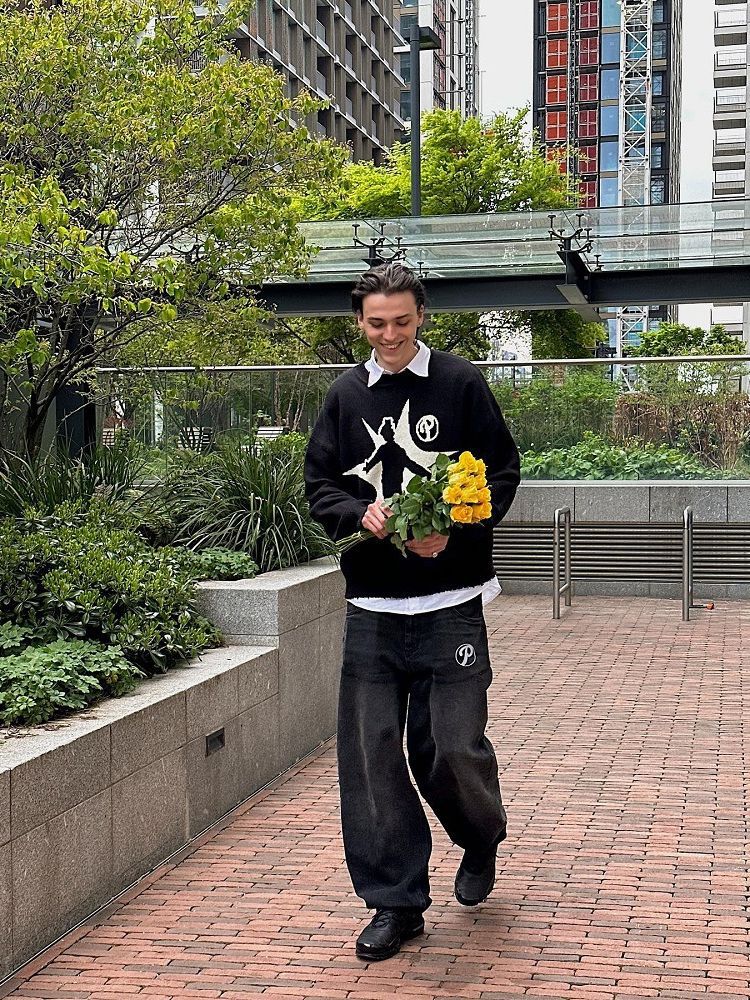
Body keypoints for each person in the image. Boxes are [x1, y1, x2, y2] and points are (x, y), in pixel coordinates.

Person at [304, 262, 520, 962]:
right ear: (360, 324)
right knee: (371, 756)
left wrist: (455, 531)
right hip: (371, 607)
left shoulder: (459, 384)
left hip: (451, 605)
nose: (390, 334)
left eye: (401, 321)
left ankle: (480, 837)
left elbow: (503, 472)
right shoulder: (343, 396)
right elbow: (319, 486)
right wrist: (358, 515)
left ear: (420, 315)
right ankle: (394, 903)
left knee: (451, 746)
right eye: (377, 323)